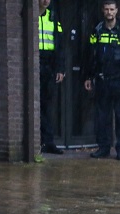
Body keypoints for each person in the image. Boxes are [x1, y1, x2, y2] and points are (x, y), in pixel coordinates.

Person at [84, 0, 120, 160]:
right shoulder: (97, 30)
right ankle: (104, 148)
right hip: (102, 80)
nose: (109, 12)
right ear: (103, 11)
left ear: (116, 11)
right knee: (103, 117)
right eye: (107, 9)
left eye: (112, 9)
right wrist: (88, 76)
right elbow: (90, 55)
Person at [38, 0, 65, 154]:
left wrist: (60, 69)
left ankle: (48, 142)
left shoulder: (53, 17)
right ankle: (39, 140)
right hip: (35, 62)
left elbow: (60, 45)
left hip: (49, 65)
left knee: (48, 105)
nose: (45, 1)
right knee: (37, 105)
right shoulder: (31, 16)